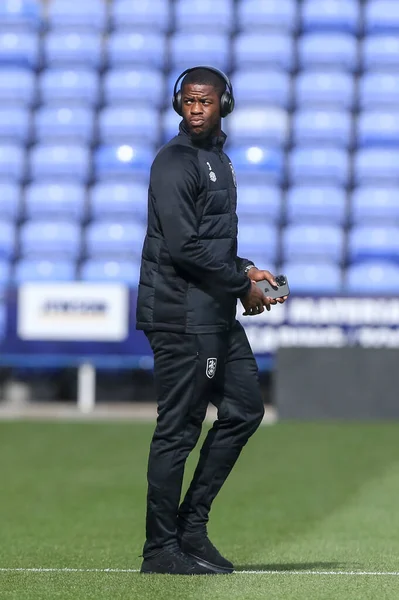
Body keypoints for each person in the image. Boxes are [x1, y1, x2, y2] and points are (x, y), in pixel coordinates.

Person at [136, 65, 287, 575]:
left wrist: (244, 270)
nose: (196, 110)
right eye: (189, 102)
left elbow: (213, 243)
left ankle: (191, 531)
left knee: (244, 409)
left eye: (206, 101)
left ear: (226, 103)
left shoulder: (216, 158)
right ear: (179, 104)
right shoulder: (175, 162)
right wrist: (240, 284)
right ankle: (161, 551)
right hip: (181, 316)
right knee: (178, 431)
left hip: (213, 312)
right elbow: (183, 247)